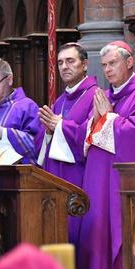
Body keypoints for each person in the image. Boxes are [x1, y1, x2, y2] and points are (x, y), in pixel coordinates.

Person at [77, 40, 135, 269]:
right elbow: (88, 133)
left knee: (120, 232)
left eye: (113, 63)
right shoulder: (107, 96)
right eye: (103, 65)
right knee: (99, 232)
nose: (107, 70)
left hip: (122, 184)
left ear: (129, 62)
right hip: (100, 182)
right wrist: (96, 120)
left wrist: (108, 118)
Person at [37, 42, 98, 246]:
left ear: (85, 64)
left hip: (78, 177)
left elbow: (92, 136)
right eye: (60, 62)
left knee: (76, 229)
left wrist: (61, 126)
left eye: (70, 61)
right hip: (56, 176)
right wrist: (47, 131)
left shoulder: (95, 96)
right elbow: (46, 140)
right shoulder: (60, 100)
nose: (64, 66)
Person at [0, 58, 41, 164]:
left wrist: (4, 134)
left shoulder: (27, 107)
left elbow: (38, 145)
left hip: (14, 178)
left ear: (9, 79)